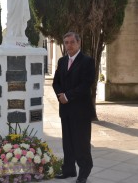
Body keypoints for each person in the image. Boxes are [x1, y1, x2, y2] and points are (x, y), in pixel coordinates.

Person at [52, 32, 95, 183]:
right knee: (68, 142)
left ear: (79, 43)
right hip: (65, 109)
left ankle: (84, 171)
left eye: (72, 42)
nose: (69, 45)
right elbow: (55, 82)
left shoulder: (87, 61)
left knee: (81, 142)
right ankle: (69, 169)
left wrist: (68, 96)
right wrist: (60, 95)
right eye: (66, 42)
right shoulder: (62, 61)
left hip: (81, 110)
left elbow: (85, 84)